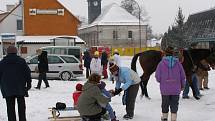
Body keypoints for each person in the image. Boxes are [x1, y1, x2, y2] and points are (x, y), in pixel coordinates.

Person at [0, 46, 32, 121]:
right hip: (20, 87)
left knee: (10, 108)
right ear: (16, 52)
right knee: (21, 106)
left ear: (7, 52)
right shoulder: (21, 61)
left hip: (7, 88)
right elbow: (27, 73)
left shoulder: (2, 62)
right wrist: (29, 84)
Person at [155, 46, 186, 121]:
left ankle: (165, 117)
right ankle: (173, 118)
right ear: (173, 54)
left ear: (165, 53)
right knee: (174, 104)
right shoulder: (178, 64)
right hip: (176, 88)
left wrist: (162, 81)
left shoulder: (161, 64)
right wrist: (182, 85)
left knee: (165, 103)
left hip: (165, 89)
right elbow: (183, 76)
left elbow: (157, 76)